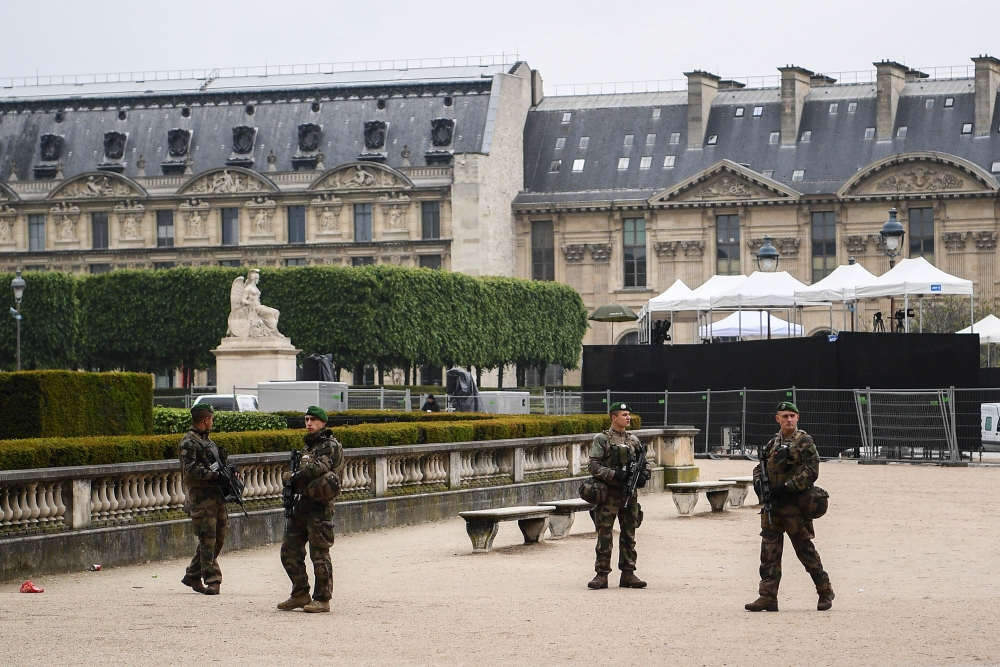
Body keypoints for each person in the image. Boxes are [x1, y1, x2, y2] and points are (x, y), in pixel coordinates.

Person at [746, 402, 834, 612]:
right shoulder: (773, 443)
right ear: (777, 419)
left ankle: (825, 591)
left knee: (806, 552)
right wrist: (758, 482)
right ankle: (767, 596)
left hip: (795, 507)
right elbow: (761, 466)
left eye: (792, 416)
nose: (789, 420)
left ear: (797, 418)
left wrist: (788, 487)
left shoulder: (804, 441)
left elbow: (812, 471)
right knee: (769, 554)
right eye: (785, 416)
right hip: (773, 507)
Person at [278, 406, 345, 613]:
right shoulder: (309, 448)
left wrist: (294, 476)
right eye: (306, 419)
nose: (308, 423)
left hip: (320, 507)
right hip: (302, 505)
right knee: (289, 549)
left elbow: (319, 468)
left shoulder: (329, 445)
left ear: (323, 423)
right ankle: (300, 593)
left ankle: (322, 599)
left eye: (313, 420)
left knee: (319, 553)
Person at [586, 402, 651, 590]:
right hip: (609, 494)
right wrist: (614, 474)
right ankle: (601, 575)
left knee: (629, 534)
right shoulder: (602, 439)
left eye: (629, 414)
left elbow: (644, 462)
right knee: (604, 534)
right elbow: (593, 465)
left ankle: (628, 574)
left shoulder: (634, 440)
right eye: (624, 415)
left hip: (629, 495)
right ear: (614, 418)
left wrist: (644, 474)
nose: (628, 418)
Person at [179, 403, 231, 595]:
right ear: (206, 419)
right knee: (207, 540)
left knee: (218, 538)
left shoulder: (208, 441)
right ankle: (213, 579)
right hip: (201, 498)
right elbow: (191, 470)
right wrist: (215, 476)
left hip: (216, 496)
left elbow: (217, 465)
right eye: (212, 419)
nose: (212, 422)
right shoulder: (189, 442)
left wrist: (228, 474)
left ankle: (193, 574)